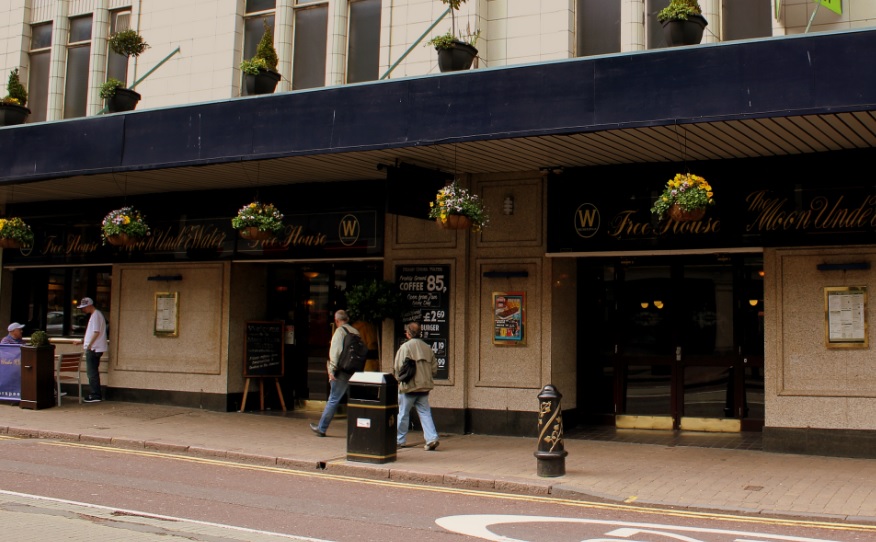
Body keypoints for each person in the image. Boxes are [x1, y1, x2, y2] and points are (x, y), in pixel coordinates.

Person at [310, 309, 360, 437]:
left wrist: (331, 370)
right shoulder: (355, 331)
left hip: (342, 371)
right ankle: (359, 429)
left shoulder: (339, 332)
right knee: (355, 401)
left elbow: (335, 353)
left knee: (333, 399)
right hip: (354, 370)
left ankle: (321, 428)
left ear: (336, 320)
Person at [393, 321, 440, 451]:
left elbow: (398, 367)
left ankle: (399, 440)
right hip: (424, 387)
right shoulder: (427, 347)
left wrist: (398, 379)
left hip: (409, 386)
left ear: (408, 334)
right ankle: (432, 438)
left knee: (403, 413)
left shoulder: (405, 347)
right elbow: (434, 369)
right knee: (425, 413)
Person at [73, 297, 107, 403]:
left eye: (84, 307)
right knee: (93, 372)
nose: (83, 310)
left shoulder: (96, 315)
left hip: (93, 348)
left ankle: (95, 394)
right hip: (94, 347)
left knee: (91, 372)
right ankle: (95, 394)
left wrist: (89, 345)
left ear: (89, 305)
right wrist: (83, 341)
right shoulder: (96, 315)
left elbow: (96, 332)